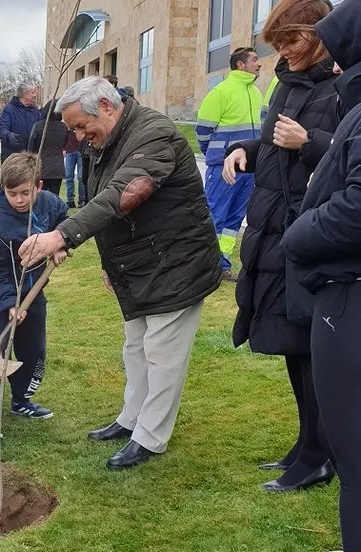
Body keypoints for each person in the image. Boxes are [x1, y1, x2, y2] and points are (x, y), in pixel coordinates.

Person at [18, 77, 221, 470]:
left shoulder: (155, 135)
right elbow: (100, 202)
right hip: (139, 265)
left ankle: (150, 437)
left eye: (80, 125)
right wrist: (108, 264)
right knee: (136, 347)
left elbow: (122, 196)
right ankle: (131, 420)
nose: (77, 136)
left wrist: (62, 235)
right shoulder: (103, 142)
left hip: (176, 262)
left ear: (108, 107)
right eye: (73, 128)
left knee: (163, 354)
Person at [224, 0, 338, 493]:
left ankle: (320, 454)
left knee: (312, 346)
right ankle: (306, 444)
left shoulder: (344, 83)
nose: (284, 53)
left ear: (319, 34)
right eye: (279, 45)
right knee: (293, 343)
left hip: (310, 228)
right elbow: (274, 139)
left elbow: (347, 149)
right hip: (276, 225)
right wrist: (246, 150)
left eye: (291, 42)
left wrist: (309, 141)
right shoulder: (288, 83)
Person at [282, 2, 361, 545]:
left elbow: (354, 203)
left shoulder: (346, 100)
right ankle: (307, 447)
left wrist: (298, 234)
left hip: (346, 291)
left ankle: (318, 455)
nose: (332, 66)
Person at [0, 152, 68, 442]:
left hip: (33, 291)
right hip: (0, 296)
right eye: (12, 193)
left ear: (38, 186)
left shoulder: (49, 204)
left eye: (26, 193)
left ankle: (21, 400)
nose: (20, 200)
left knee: (33, 350)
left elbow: (65, 219)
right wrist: (8, 303)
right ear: (3, 188)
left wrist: (61, 242)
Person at [196, 47, 263, 280]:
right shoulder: (221, 91)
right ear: (240, 65)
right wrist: (216, 155)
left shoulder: (256, 93)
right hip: (224, 167)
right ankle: (206, 266)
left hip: (248, 168)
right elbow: (203, 130)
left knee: (234, 220)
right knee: (214, 215)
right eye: (254, 60)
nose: (259, 63)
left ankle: (222, 265)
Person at [27, 100, 67, 197]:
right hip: (57, 167)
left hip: (42, 166)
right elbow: (65, 143)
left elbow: (31, 147)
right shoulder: (63, 127)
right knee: (54, 196)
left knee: (40, 196)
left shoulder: (38, 126)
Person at [0, 83, 43, 162]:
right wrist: (9, 136)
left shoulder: (36, 111)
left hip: (31, 157)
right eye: (32, 92)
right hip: (12, 156)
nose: (35, 95)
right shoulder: (9, 110)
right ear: (25, 95)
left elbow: (41, 129)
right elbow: (2, 129)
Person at [63, 121, 86, 208]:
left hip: (80, 151)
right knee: (69, 177)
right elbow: (64, 137)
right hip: (70, 151)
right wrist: (64, 148)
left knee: (80, 177)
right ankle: (70, 200)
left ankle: (82, 200)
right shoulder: (67, 125)